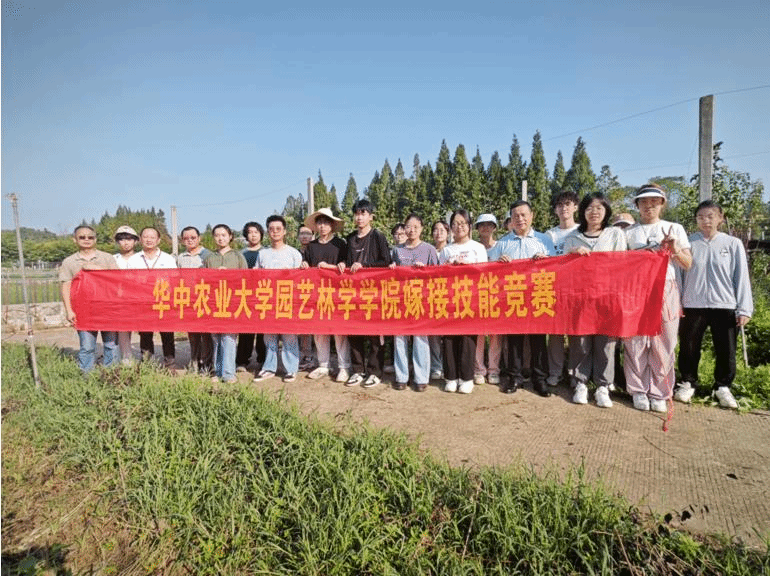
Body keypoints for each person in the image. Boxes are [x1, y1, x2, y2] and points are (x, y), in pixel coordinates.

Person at [675, 200, 753, 409]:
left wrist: (744, 308)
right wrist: (678, 302)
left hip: (724, 304)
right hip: (693, 303)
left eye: (710, 216)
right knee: (689, 346)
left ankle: (722, 386)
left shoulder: (732, 244)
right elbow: (680, 276)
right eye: (701, 217)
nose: (705, 221)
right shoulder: (688, 243)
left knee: (726, 348)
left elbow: (741, 277)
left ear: (721, 218)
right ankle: (688, 382)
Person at [624, 184, 692, 412]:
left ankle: (660, 392)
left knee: (665, 340)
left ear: (662, 204)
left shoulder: (674, 229)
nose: (649, 206)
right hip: (636, 290)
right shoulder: (628, 232)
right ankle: (638, 390)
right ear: (637, 205)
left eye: (654, 201)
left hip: (665, 287)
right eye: (644, 202)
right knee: (635, 341)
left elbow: (688, 263)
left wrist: (674, 249)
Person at [564, 193, 627, 408]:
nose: (594, 212)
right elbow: (563, 268)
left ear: (606, 211)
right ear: (582, 211)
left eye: (599, 208)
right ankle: (580, 382)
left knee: (606, 343)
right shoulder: (572, 237)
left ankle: (603, 385)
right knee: (580, 342)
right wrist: (572, 254)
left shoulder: (615, 234)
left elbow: (622, 265)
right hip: (580, 298)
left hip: (607, 297)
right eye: (589, 208)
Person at [492, 201, 555, 397]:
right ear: (510, 219)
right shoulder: (503, 243)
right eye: (515, 216)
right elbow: (490, 271)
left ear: (531, 216)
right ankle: (514, 378)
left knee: (538, 340)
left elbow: (556, 266)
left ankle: (540, 379)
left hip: (538, 296)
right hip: (513, 297)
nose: (520, 219)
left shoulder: (544, 240)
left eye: (523, 215)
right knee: (514, 341)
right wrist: (499, 263)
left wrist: (546, 260)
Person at [338, 199, 392, 388]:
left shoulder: (378, 237)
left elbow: (386, 262)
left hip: (374, 292)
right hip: (353, 293)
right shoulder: (350, 238)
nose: (359, 217)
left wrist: (365, 265)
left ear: (371, 217)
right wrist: (342, 263)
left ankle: (375, 372)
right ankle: (358, 370)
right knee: (354, 332)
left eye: (363, 213)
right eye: (357, 213)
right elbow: (345, 260)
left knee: (375, 334)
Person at [301, 207, 352, 383]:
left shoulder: (340, 244)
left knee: (339, 331)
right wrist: (304, 264)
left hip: (337, 293)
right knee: (319, 330)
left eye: (325, 223)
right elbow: (307, 264)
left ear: (332, 225)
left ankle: (344, 366)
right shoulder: (311, 246)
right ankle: (323, 364)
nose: (322, 226)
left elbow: (347, 266)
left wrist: (334, 266)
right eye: (319, 223)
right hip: (317, 293)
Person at [440, 209, 488, 394]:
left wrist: (467, 268)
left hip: (470, 299)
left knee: (468, 339)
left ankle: (467, 378)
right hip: (450, 300)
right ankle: (451, 377)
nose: (459, 227)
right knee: (449, 338)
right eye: (455, 224)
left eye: (462, 223)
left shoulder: (478, 248)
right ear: (451, 227)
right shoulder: (446, 250)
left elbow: (484, 273)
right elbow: (439, 276)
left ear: (469, 226)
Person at [59, 225, 118, 372]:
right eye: (82, 237)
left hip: (107, 308)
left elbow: (117, 279)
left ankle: (112, 375)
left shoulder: (107, 258)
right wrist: (69, 310)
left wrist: (98, 269)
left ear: (95, 239)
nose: (86, 240)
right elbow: (65, 286)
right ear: (75, 240)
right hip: (83, 310)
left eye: (90, 237)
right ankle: (87, 377)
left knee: (111, 345)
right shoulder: (69, 262)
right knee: (87, 346)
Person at [391, 213, 439, 391]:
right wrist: (392, 268)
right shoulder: (397, 250)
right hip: (401, 299)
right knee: (399, 337)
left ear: (422, 229)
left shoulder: (429, 249)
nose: (411, 230)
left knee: (420, 337)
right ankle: (401, 376)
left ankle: (421, 378)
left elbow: (438, 275)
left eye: (415, 227)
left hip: (421, 300)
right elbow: (391, 275)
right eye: (408, 227)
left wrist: (425, 271)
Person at [254, 215, 303, 383]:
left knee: (289, 336)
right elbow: (256, 276)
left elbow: (301, 279)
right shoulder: (263, 253)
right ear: (267, 232)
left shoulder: (293, 253)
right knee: (269, 336)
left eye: (278, 229)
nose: (275, 232)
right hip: (268, 301)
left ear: (285, 231)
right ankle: (269, 367)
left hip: (287, 300)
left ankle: (291, 369)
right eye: (271, 229)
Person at [127, 227, 178, 371]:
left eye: (152, 237)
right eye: (145, 237)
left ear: (158, 240)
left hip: (163, 301)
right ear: (140, 239)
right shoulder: (134, 259)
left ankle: (170, 365)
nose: (149, 240)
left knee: (167, 334)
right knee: (145, 334)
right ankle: (148, 365)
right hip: (143, 302)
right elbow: (129, 281)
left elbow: (174, 280)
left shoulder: (168, 258)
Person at [544, 190, 580, 388]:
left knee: (576, 333)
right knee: (555, 333)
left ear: (575, 207)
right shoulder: (549, 235)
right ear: (555, 210)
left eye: (568, 204)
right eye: (560, 205)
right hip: (554, 289)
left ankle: (575, 374)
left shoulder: (582, 230)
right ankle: (555, 372)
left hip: (577, 289)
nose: (564, 208)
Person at [204, 224, 247, 384]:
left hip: (232, 302)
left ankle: (228, 373)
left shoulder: (238, 256)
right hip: (214, 302)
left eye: (223, 235)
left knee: (229, 337)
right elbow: (202, 280)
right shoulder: (209, 258)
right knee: (216, 337)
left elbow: (247, 279)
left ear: (230, 236)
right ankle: (217, 370)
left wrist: (229, 275)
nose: (220, 238)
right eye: (217, 235)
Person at [176, 226, 213, 377]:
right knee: (192, 334)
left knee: (206, 334)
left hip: (204, 299)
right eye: (186, 238)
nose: (190, 240)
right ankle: (194, 361)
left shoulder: (208, 255)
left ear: (199, 238)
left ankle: (206, 364)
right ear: (182, 240)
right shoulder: (180, 258)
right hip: (188, 300)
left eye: (193, 237)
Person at [473, 213, 503, 386]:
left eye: (489, 224)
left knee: (495, 335)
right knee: (477, 335)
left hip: (496, 297)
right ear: (477, 228)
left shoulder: (501, 246)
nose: (485, 227)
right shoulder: (473, 247)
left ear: (494, 227)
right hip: (476, 297)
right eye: (481, 224)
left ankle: (493, 370)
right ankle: (478, 370)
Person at [236, 222, 266, 372]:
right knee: (245, 329)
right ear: (246, 235)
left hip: (263, 294)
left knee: (263, 330)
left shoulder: (266, 252)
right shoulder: (240, 254)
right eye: (250, 232)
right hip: (246, 295)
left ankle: (263, 360)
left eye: (256, 232)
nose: (253, 235)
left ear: (261, 234)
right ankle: (242, 361)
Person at [113, 225, 139, 364]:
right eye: (122, 239)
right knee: (122, 329)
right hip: (120, 299)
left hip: (140, 298)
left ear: (135, 241)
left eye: (129, 239)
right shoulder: (113, 259)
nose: (126, 242)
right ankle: (126, 358)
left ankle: (148, 358)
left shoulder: (141, 258)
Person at [429, 220, 451, 380]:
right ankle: (436, 366)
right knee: (434, 334)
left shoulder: (452, 250)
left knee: (449, 334)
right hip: (432, 297)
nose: (439, 233)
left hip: (451, 296)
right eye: (435, 230)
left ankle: (450, 366)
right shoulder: (428, 250)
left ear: (448, 233)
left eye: (442, 230)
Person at [297, 224, 317, 371]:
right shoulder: (294, 253)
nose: (305, 236)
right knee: (302, 327)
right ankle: (304, 356)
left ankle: (311, 356)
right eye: (302, 233)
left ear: (313, 236)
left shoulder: (316, 251)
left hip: (315, 293)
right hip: (298, 293)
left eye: (308, 233)